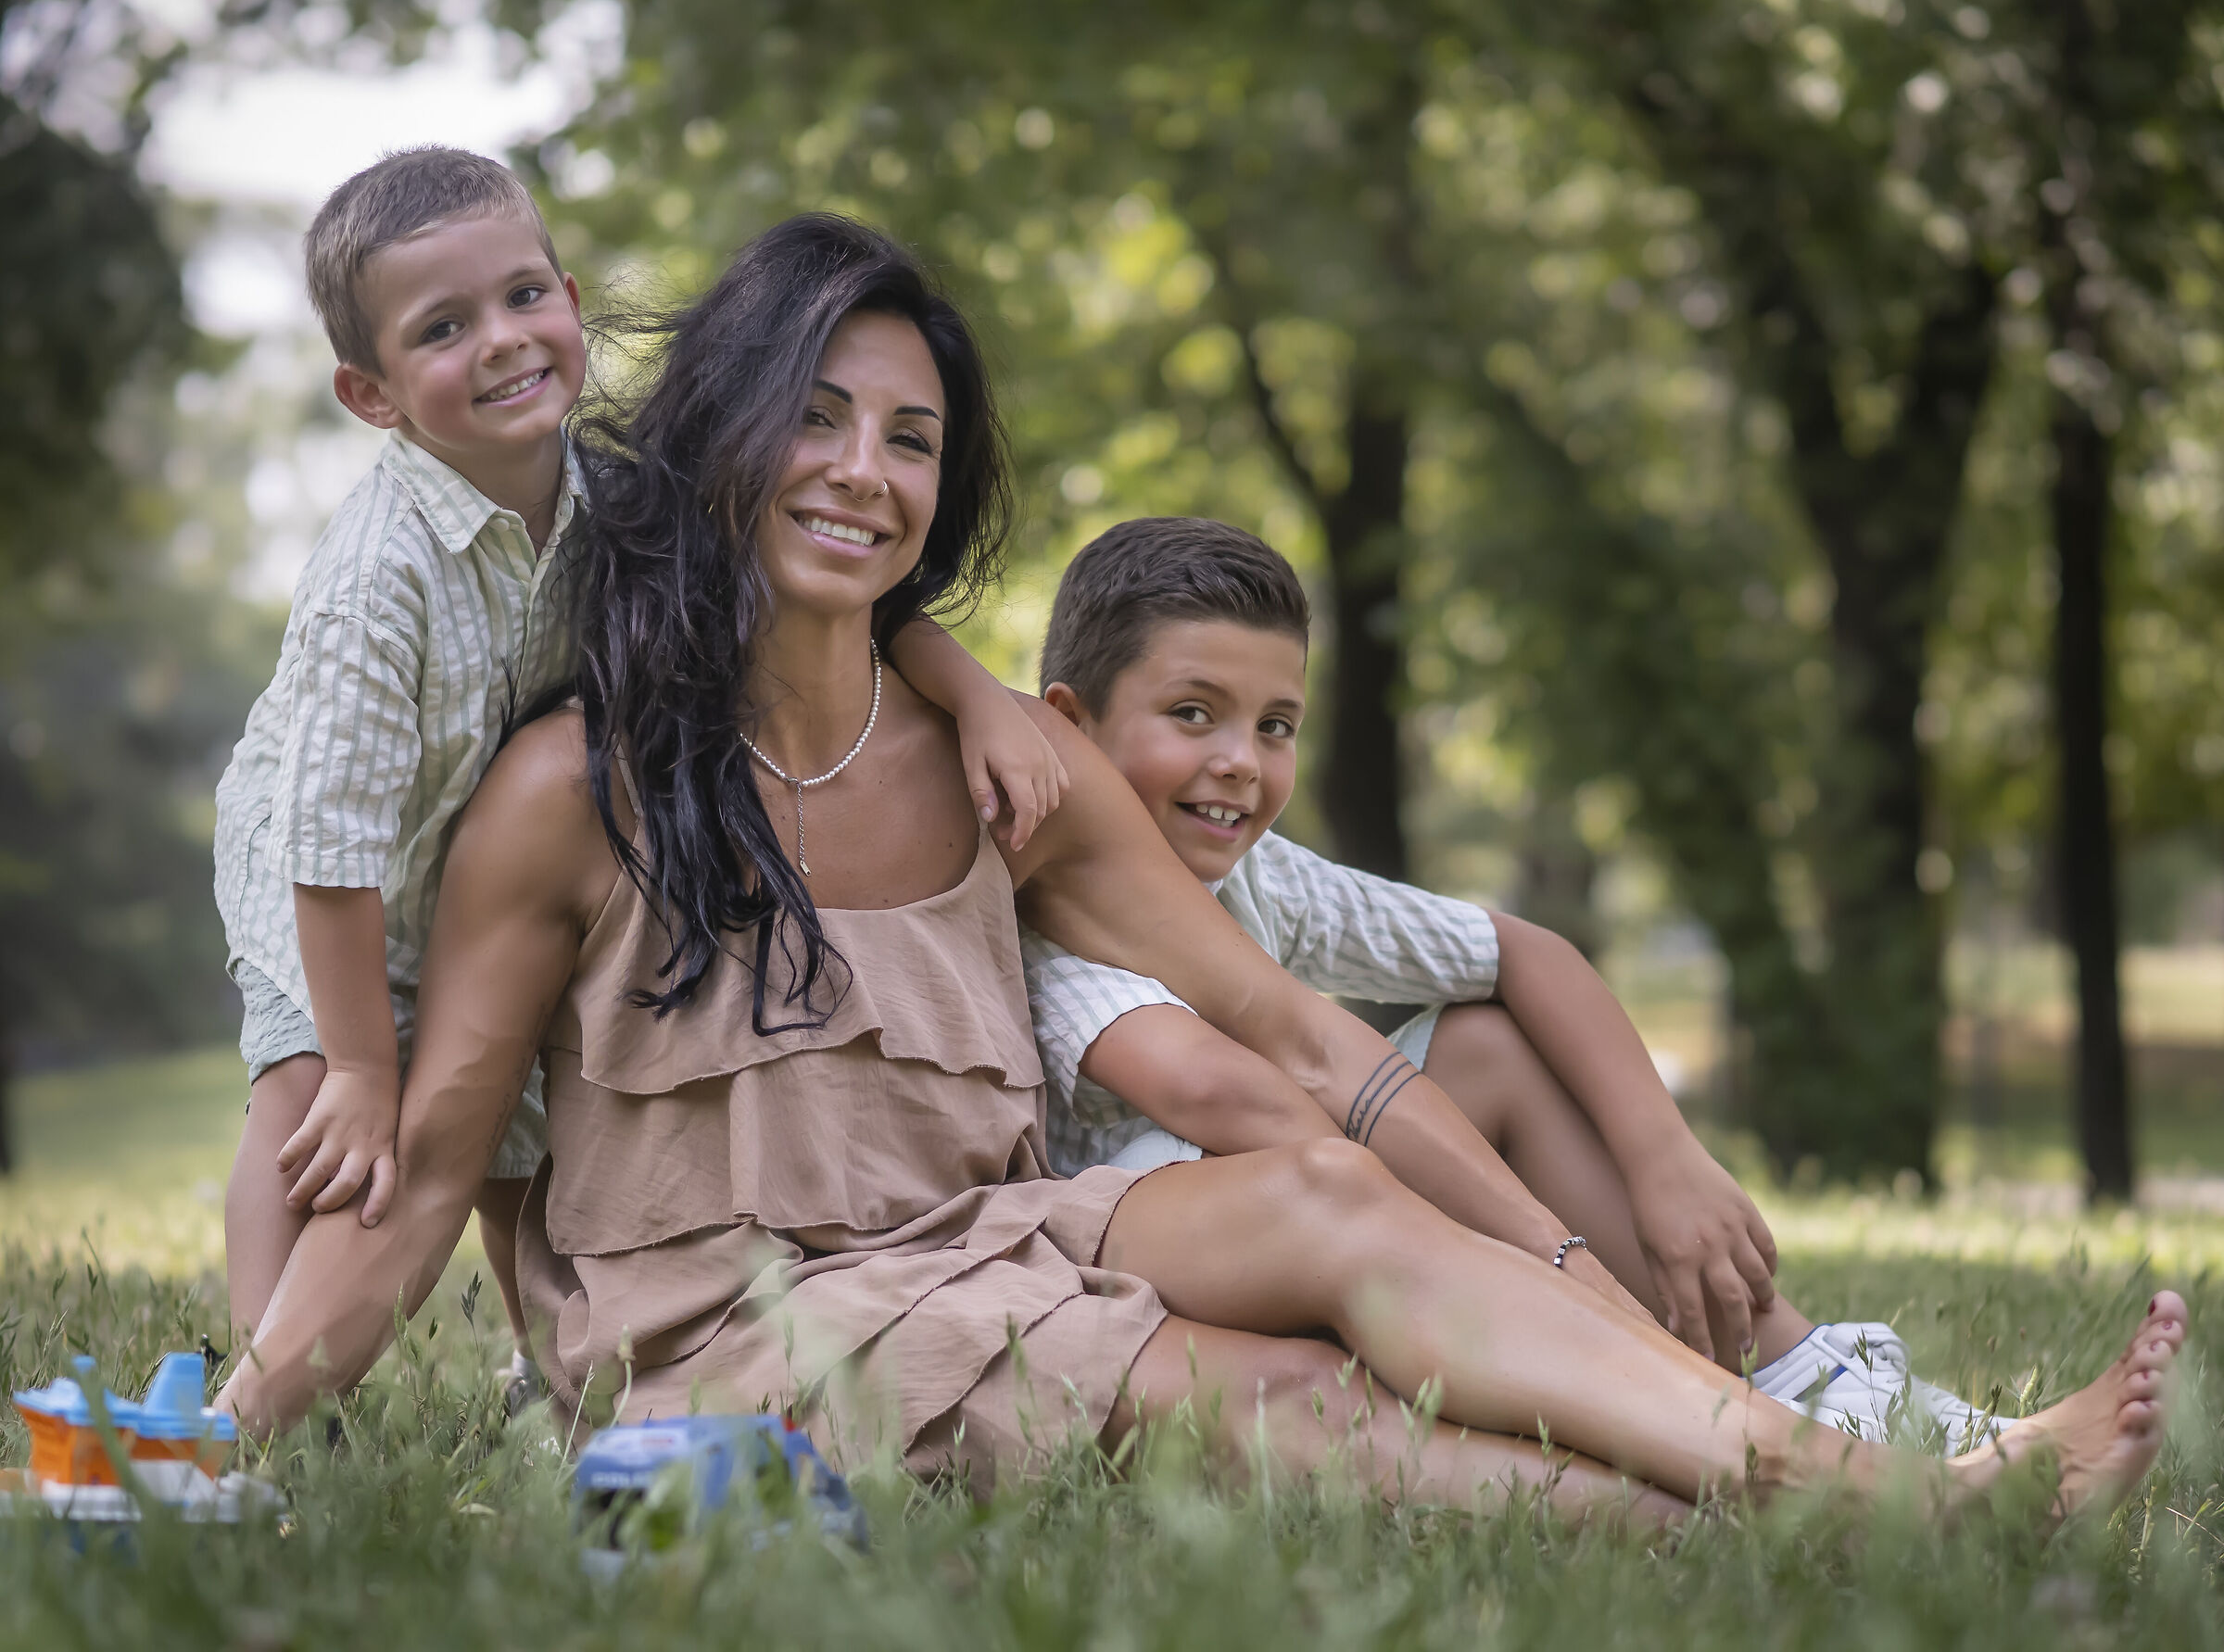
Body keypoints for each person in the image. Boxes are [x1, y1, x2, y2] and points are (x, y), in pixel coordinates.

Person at [221, 214, 2182, 1532]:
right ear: (722, 437)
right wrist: (235, 1437)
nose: (862, 470)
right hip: (741, 1346)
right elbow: (429, 1163)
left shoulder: (1006, 764)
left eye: (911, 436)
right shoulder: (578, 788)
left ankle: (1870, 1474)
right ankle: (1886, 1516)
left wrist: (1580, 1262)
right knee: (1296, 1405)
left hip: (991, 1256)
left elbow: (1283, 1031)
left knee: (1323, 1190)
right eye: (813, 416)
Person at [210, 152, 1056, 1388]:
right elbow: (328, 841)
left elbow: (847, 593)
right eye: (443, 328)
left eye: (520, 299)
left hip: (467, 840)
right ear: (371, 393)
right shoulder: (373, 579)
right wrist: (354, 1059)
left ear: (568, 293)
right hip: (321, 869)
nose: (500, 342)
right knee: (320, 1106)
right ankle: (257, 1384)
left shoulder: (616, 493)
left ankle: (542, 1365)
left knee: (505, 1117)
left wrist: (977, 691)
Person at [1021, 516, 1994, 1448]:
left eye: (1275, 726)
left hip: (1320, 1213)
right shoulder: (1040, 911)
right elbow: (1225, 1099)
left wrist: (1666, 1159)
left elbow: (1527, 954)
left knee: (1485, 1040)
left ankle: (1804, 1373)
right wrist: (1529, 1250)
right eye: (1193, 714)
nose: (1239, 762)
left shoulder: (1262, 874)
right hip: (1162, 1277)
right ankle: (1687, 1389)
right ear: (1069, 725)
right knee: (1358, 1159)